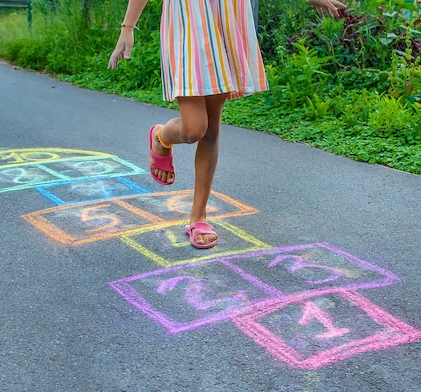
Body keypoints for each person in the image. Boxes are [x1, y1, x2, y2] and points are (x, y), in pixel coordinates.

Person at [108, 0, 346, 249]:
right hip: (189, 19)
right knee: (193, 129)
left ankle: (198, 217)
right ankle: (161, 135)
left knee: (210, 130)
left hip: (227, 19)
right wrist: (128, 28)